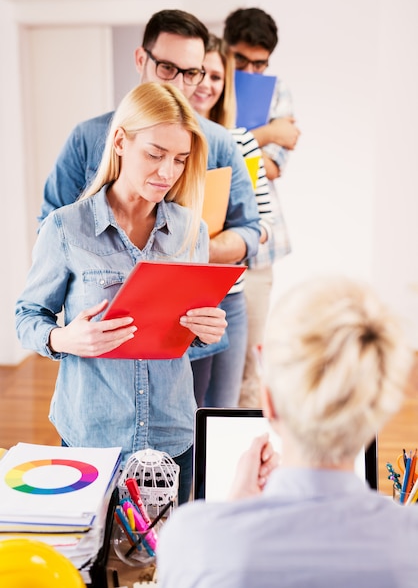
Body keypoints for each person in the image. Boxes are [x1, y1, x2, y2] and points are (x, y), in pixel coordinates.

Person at [15, 82, 228, 505]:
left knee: (164, 562)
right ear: (119, 142)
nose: (167, 172)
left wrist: (208, 328)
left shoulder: (192, 231)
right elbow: (26, 317)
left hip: (172, 434)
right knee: (92, 561)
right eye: (154, 154)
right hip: (92, 435)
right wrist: (62, 338)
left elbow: (190, 326)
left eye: (180, 160)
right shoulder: (64, 227)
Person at [39, 9, 260, 409]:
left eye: (192, 72)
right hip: (106, 338)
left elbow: (251, 232)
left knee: (195, 436)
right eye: (168, 68)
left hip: (193, 324)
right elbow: (50, 228)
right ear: (142, 60)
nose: (181, 83)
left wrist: (180, 254)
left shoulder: (218, 143)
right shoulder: (88, 138)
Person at [157, 275, 418, 586]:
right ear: (379, 411)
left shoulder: (191, 539)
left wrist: (232, 511)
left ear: (268, 400)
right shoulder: (409, 543)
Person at [189, 33, 274, 407]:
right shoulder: (164, 143)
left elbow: (263, 223)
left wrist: (228, 240)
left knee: (221, 410)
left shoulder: (241, 142)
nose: (206, 84)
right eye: (199, 73)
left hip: (230, 295)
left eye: (217, 77)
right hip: (179, 298)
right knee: (182, 414)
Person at [223, 7, 301, 408]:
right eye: (242, 60)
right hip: (206, 245)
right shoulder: (208, 85)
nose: (251, 73)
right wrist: (269, 131)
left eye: (261, 63)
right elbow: (207, 149)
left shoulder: (278, 90)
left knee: (249, 367)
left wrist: (237, 144)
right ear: (225, 49)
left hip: (256, 247)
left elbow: (271, 166)